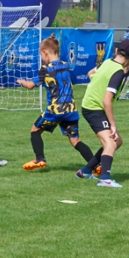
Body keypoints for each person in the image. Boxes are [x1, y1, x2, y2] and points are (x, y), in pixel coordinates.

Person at [17, 34, 96, 172]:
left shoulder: (45, 69)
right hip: (71, 110)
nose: (42, 58)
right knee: (75, 140)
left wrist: (22, 82)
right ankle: (95, 164)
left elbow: (31, 85)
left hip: (55, 111)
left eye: (41, 55)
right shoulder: (66, 65)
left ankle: (40, 158)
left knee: (35, 130)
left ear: (45, 52)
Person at [75, 39, 129, 188]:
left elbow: (91, 73)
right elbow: (106, 101)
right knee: (111, 142)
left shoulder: (107, 62)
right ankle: (105, 178)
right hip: (94, 108)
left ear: (116, 51)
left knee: (117, 141)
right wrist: (113, 125)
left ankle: (85, 171)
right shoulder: (118, 72)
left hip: (90, 105)